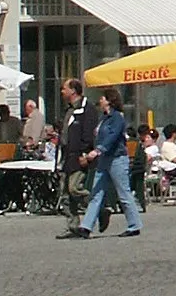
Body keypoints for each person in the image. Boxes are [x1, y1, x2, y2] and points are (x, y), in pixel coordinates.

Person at [61, 88, 142, 239]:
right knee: (96, 193)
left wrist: (97, 150)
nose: (100, 100)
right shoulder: (103, 118)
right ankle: (86, 226)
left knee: (123, 192)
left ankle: (134, 225)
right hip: (104, 160)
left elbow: (112, 137)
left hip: (117, 158)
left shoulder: (117, 118)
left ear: (109, 101)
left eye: (102, 98)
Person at [58, 79, 97, 219]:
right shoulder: (69, 109)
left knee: (74, 188)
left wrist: (85, 153)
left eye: (64, 89)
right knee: (65, 195)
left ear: (73, 91)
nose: (62, 92)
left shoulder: (87, 109)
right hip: (67, 156)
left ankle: (99, 206)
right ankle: (73, 225)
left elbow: (88, 133)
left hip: (79, 156)